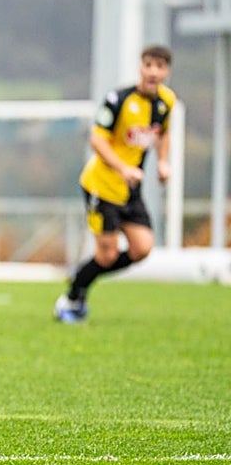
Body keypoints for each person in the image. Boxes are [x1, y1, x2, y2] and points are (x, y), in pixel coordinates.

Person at [54, 44, 177, 323]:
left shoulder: (165, 102)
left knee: (142, 248)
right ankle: (72, 297)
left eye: (159, 67)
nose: (153, 72)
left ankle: (86, 271)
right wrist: (123, 168)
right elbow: (97, 139)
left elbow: (163, 134)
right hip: (102, 187)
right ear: (140, 67)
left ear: (167, 72)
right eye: (148, 65)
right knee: (107, 255)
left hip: (130, 190)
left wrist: (163, 162)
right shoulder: (118, 100)